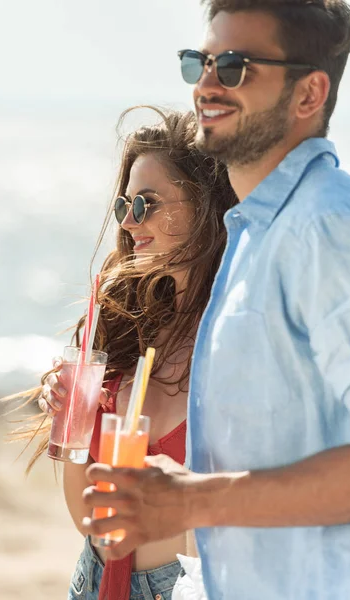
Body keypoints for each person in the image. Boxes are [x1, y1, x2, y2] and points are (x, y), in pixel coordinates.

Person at [82, 2, 350, 599]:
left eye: (234, 66)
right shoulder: (254, 236)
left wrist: (190, 500)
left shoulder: (326, 227)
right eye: (200, 62)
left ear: (309, 93)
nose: (206, 84)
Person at [28, 106, 236, 600]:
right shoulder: (126, 329)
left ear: (205, 203)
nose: (130, 224)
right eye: (124, 208)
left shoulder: (235, 341)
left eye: (146, 203)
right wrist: (71, 424)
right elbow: (87, 516)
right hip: (96, 579)